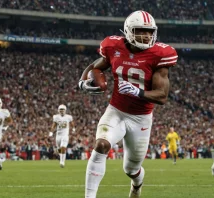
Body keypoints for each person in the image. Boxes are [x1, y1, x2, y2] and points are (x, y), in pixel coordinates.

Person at [78, 10, 177, 198]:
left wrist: (137, 92)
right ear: (129, 31)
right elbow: (96, 66)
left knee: (131, 169)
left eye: (150, 32)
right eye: (141, 30)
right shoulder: (113, 46)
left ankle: (137, 185)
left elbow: (162, 95)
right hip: (116, 111)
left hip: (140, 119)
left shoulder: (159, 54)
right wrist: (83, 81)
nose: (147, 35)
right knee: (101, 145)